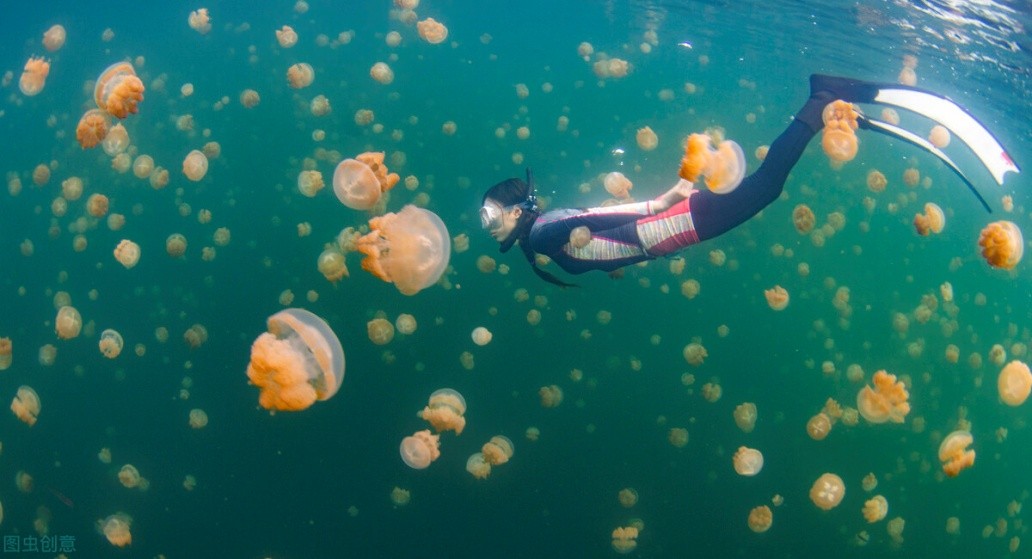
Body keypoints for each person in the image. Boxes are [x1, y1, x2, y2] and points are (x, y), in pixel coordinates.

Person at [479, 74, 1020, 286]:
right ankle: (818, 105)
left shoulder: (545, 235)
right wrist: (623, 251)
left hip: (673, 227)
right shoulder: (542, 237)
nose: (488, 224)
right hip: (666, 228)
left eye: (490, 214)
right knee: (765, 186)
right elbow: (598, 227)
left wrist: (663, 207)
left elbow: (600, 219)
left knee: (765, 187)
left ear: (514, 208)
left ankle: (819, 99)